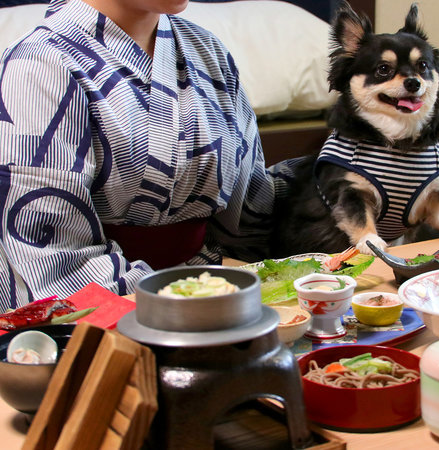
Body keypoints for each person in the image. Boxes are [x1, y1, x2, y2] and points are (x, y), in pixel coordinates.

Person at [0, 0, 293, 310]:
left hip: (209, 287)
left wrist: (336, 167)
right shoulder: (38, 64)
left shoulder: (207, 50)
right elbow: (52, 253)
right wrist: (190, 300)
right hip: (94, 309)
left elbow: (251, 210)